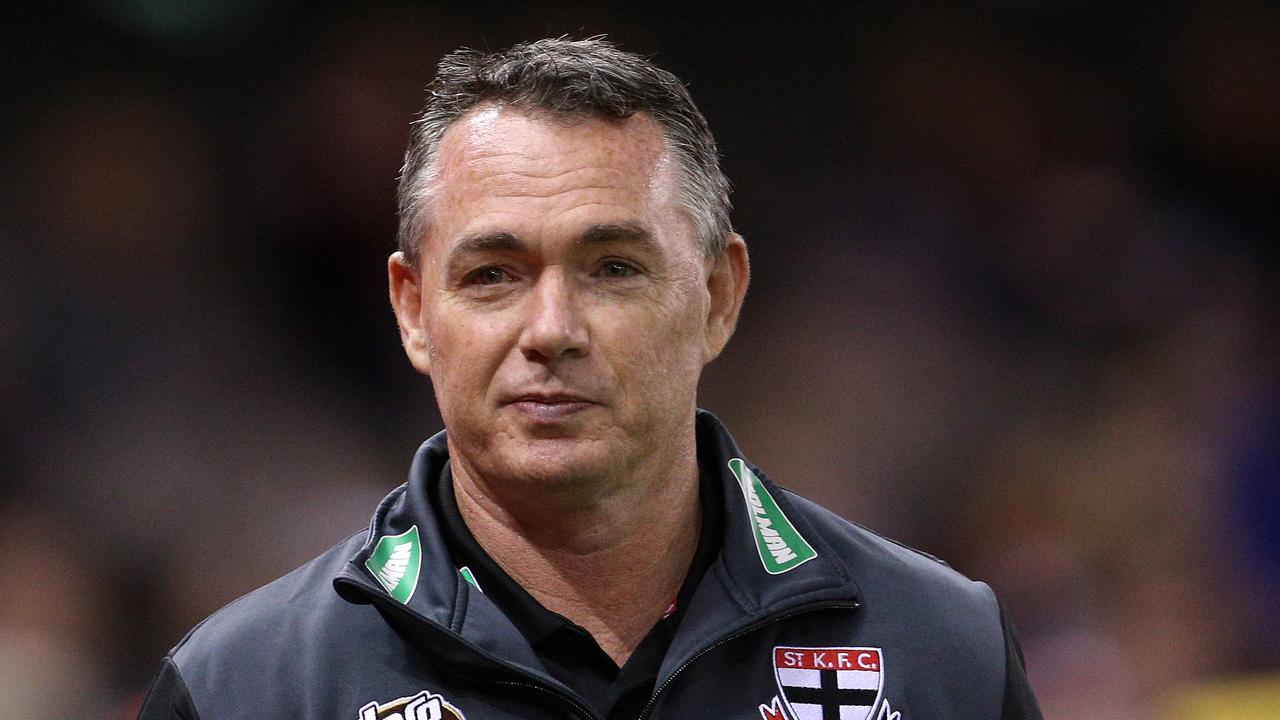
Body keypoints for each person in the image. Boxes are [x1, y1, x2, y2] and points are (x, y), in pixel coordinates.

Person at [138, 37, 1042, 720]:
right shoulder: (244, 691)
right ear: (414, 310)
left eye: (613, 267)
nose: (552, 331)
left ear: (719, 296)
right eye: (493, 274)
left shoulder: (941, 652)